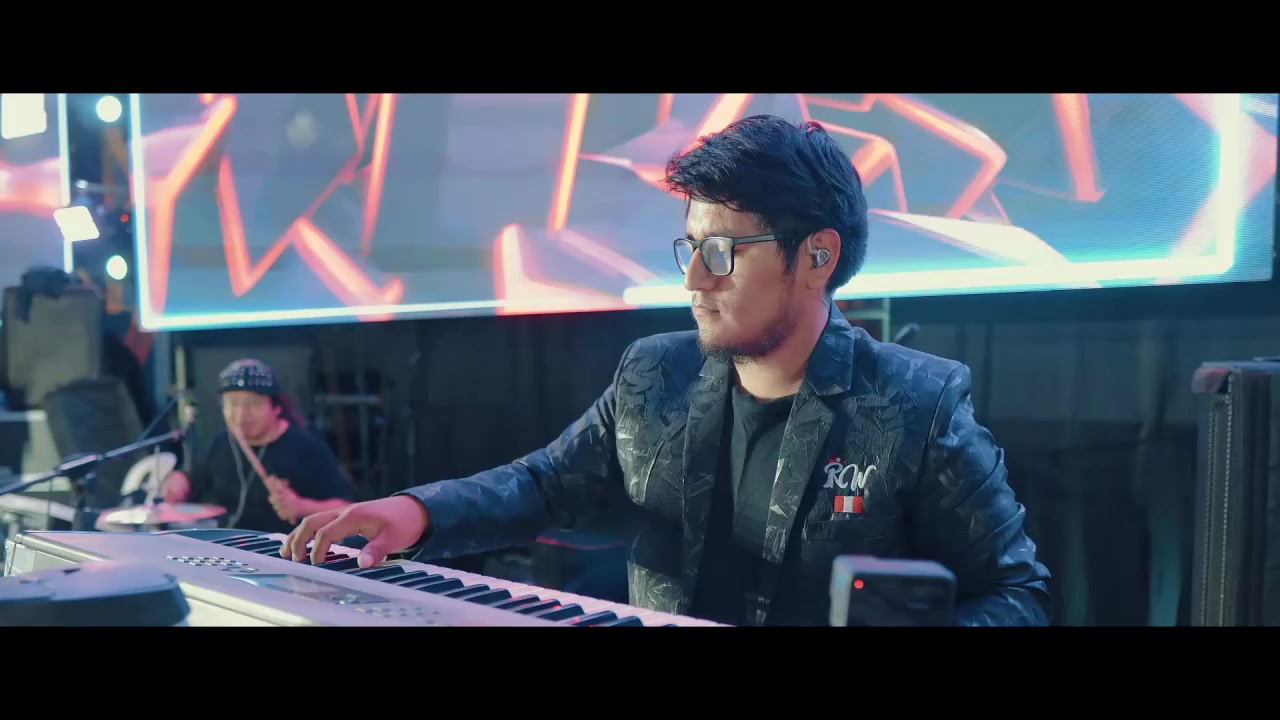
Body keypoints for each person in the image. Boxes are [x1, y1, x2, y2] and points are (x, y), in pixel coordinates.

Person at [283, 115, 1052, 626]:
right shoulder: (655, 373)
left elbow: (1017, 596)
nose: (693, 279)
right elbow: (546, 484)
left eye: (722, 251)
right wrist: (413, 513)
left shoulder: (916, 404)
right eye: (691, 247)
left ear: (817, 256)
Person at [162, 358, 354, 534]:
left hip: (284, 551)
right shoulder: (221, 442)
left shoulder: (306, 447)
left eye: (253, 404)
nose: (241, 415)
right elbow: (191, 477)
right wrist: (179, 482)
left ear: (276, 407)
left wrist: (301, 506)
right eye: (232, 404)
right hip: (228, 547)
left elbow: (346, 508)